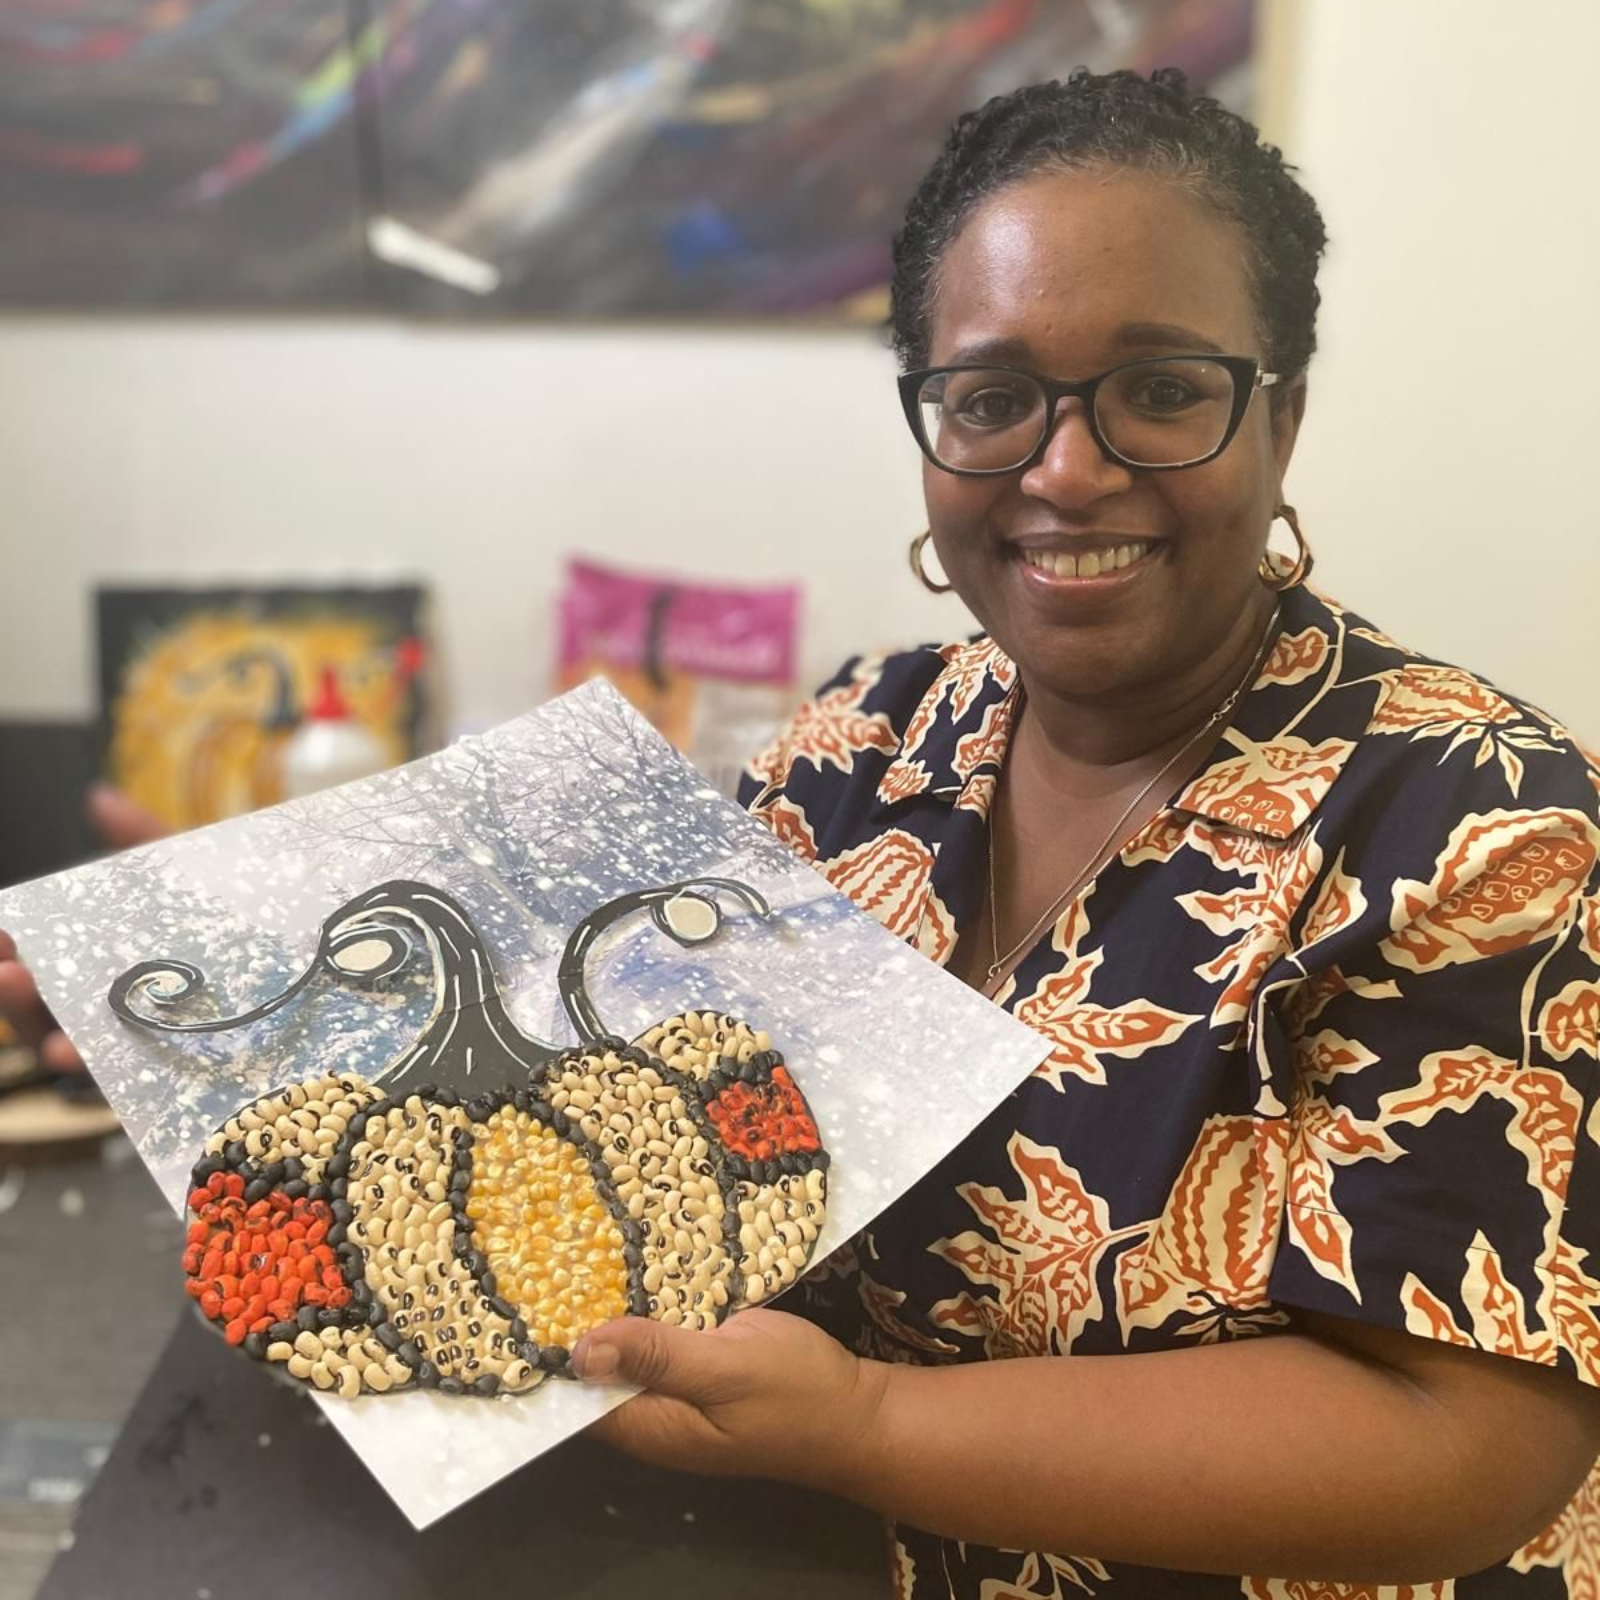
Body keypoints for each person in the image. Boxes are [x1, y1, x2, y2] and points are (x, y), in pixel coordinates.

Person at [4, 66, 1598, 1596]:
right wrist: (205, 987)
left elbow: (1466, 1446)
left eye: (1163, 391)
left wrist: (870, 1428)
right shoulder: (873, 735)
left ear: (1284, 419)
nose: (1066, 468)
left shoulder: (1481, 828)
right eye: (992, 400)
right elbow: (604, 1022)